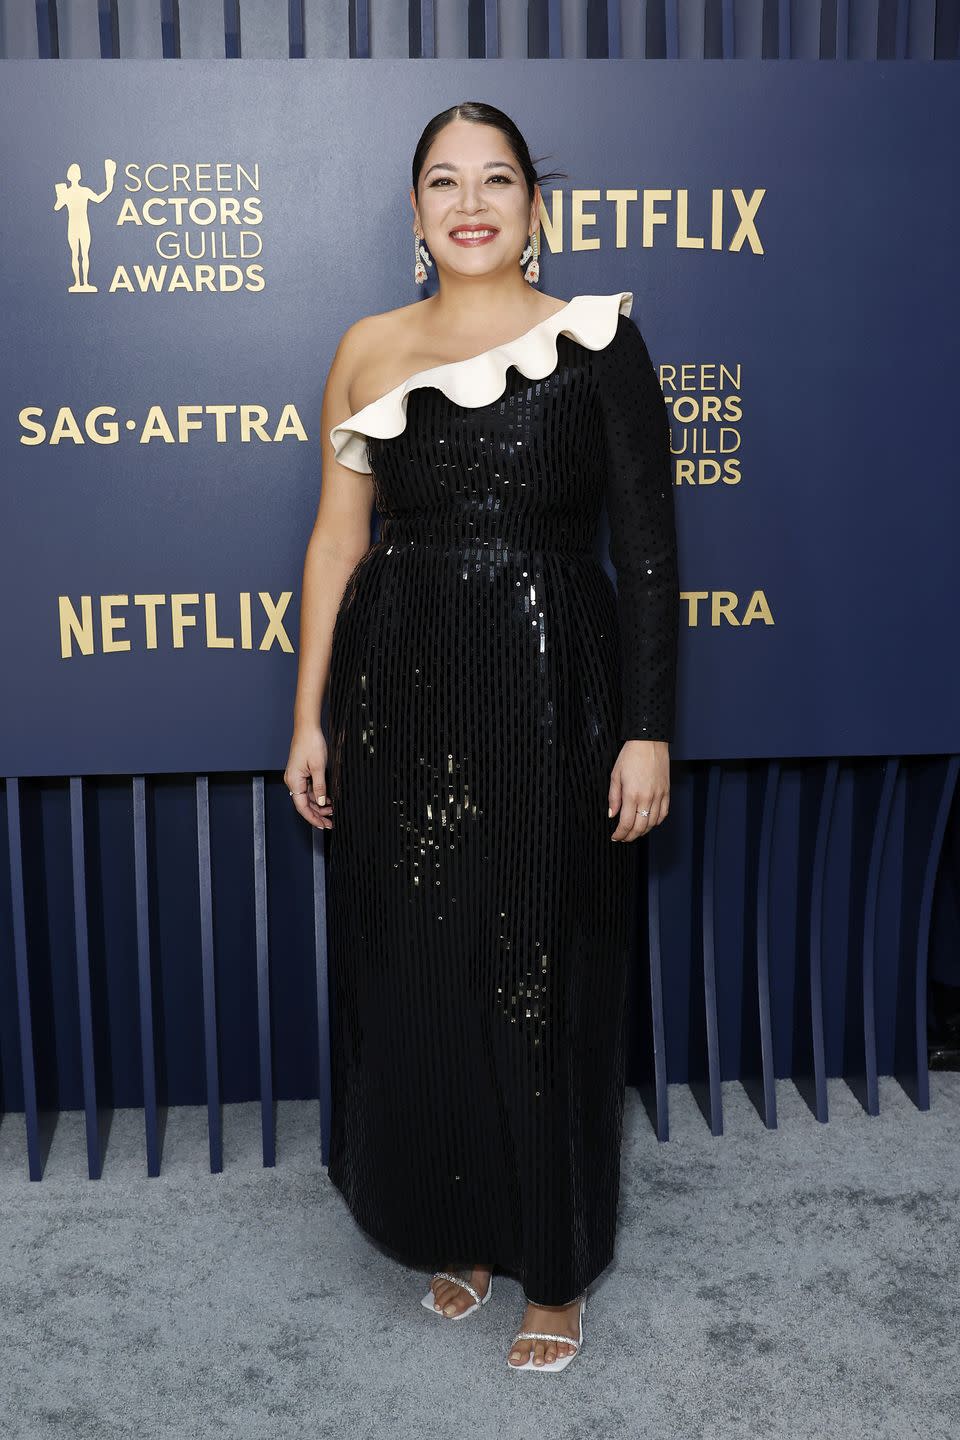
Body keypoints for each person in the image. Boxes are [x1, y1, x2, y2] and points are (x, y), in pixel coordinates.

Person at [285, 100, 679, 1374]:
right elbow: (339, 544)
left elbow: (651, 553)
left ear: (533, 208)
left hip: (555, 679)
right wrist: (312, 720)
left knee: (546, 966)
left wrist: (647, 732)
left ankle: (552, 1263)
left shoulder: (598, 343)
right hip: (400, 688)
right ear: (413, 214)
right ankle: (457, 1223)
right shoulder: (367, 347)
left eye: (497, 179)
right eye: (444, 181)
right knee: (429, 960)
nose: (471, 201)